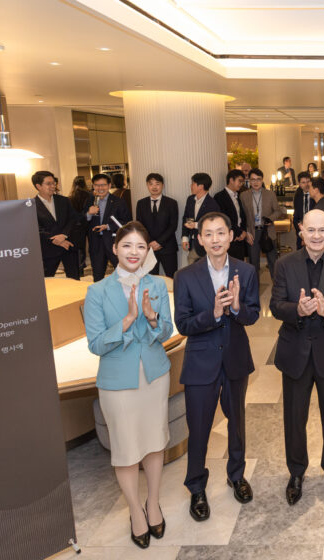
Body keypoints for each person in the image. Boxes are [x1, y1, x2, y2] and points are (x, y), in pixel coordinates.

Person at [83, 221, 173, 549]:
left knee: (154, 443)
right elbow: (96, 344)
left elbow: (166, 331)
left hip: (154, 376)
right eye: (127, 245)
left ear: (147, 251)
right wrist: (128, 319)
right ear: (115, 249)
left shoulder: (157, 285)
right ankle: (135, 510)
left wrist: (151, 317)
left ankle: (153, 503)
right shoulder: (97, 292)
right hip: (117, 383)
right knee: (125, 450)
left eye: (140, 246)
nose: (134, 252)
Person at [174, 211, 260, 521]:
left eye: (220, 233)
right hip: (201, 362)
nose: (215, 239)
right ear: (199, 239)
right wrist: (211, 314)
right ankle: (196, 486)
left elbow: (253, 314)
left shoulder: (246, 271)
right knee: (199, 427)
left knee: (237, 422)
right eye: (208, 234)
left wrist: (236, 307)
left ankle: (236, 475)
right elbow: (183, 324)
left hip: (235, 357)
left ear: (231, 235)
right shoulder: (185, 276)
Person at [270, 209, 324, 505]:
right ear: (301, 231)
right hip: (295, 352)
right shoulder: (285, 264)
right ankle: (296, 472)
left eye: (322, 230)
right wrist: (296, 309)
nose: (316, 235)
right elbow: (275, 305)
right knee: (294, 417)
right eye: (311, 230)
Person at [32, 170, 81, 280]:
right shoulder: (32, 205)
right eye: (48, 184)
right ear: (38, 186)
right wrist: (55, 240)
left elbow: (73, 219)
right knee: (47, 281)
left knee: (74, 280)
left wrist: (64, 235)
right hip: (48, 249)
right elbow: (35, 228)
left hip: (68, 246)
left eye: (54, 183)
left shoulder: (64, 200)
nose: (53, 186)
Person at [85, 173, 133, 282]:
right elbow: (81, 221)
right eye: (97, 185)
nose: (100, 188)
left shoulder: (118, 201)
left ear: (109, 185)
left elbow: (127, 221)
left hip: (114, 243)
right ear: (93, 186)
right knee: (98, 277)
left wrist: (108, 226)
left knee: (122, 274)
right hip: (95, 244)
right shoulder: (89, 201)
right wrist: (89, 213)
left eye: (103, 185)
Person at [240, 168, 286, 281]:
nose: (256, 182)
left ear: (262, 180)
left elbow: (278, 211)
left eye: (258, 179)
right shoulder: (243, 195)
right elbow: (242, 216)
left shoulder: (270, 194)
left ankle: (277, 286)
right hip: (252, 232)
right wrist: (246, 232)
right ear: (249, 181)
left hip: (267, 231)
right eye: (253, 179)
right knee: (253, 263)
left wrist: (270, 218)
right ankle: (254, 288)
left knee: (273, 261)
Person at [135, 173, 180, 278]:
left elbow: (173, 226)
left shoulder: (172, 203)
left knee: (172, 277)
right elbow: (140, 226)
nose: (154, 187)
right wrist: (150, 242)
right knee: (150, 278)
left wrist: (159, 242)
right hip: (149, 248)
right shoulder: (141, 203)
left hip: (168, 247)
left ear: (162, 185)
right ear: (147, 185)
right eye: (151, 184)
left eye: (157, 184)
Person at [181, 172, 222, 266]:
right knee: (191, 270)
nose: (191, 186)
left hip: (206, 247)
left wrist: (196, 225)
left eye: (193, 183)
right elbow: (186, 218)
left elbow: (214, 225)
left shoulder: (212, 204)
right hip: (192, 244)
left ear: (200, 186)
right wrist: (185, 238)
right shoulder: (190, 199)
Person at [214, 169, 250, 261]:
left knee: (239, 265)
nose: (241, 184)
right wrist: (238, 232)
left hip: (240, 238)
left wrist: (243, 232)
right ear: (231, 180)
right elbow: (224, 218)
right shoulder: (219, 197)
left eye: (242, 182)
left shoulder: (239, 195)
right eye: (239, 181)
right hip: (229, 238)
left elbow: (242, 216)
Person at [69, 176, 92, 271]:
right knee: (92, 245)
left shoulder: (71, 196)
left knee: (79, 247)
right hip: (88, 222)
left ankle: (80, 267)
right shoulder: (89, 195)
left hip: (76, 225)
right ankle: (93, 263)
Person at [292, 172, 314, 249]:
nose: (306, 184)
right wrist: (301, 234)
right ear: (300, 184)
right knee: (300, 253)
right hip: (301, 231)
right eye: (303, 182)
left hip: (314, 231)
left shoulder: (315, 195)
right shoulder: (297, 196)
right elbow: (296, 217)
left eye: (308, 181)